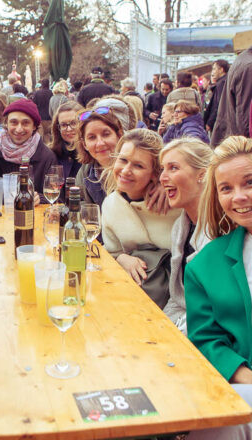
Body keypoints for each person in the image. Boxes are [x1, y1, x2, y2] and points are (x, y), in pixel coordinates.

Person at [184, 135, 252, 439]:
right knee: (223, 413)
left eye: (249, 183)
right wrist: (245, 378)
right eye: (226, 188)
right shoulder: (203, 265)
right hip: (244, 384)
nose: (238, 197)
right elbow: (207, 339)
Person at [101, 129, 180, 307]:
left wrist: (168, 184)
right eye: (123, 160)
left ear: (154, 173)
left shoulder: (173, 201)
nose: (126, 170)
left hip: (178, 296)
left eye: (138, 166)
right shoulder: (111, 204)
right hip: (133, 293)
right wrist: (120, 258)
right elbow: (109, 252)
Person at [159, 138, 213, 334]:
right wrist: (158, 329)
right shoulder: (180, 228)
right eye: (162, 169)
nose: (163, 177)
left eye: (173, 168)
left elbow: (217, 310)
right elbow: (177, 299)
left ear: (202, 174)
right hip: (184, 325)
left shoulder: (222, 231)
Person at [0, 98, 57, 202]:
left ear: (34, 126)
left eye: (25, 123)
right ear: (6, 124)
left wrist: (40, 198)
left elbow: (57, 198)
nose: (19, 129)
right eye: (14, 122)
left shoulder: (47, 156)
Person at [74, 99, 127, 205]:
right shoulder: (85, 172)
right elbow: (80, 207)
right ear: (85, 145)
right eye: (92, 137)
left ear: (119, 135)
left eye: (106, 134)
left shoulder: (132, 167)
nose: (100, 143)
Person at [49, 101, 83, 198]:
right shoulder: (52, 154)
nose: (69, 129)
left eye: (73, 123)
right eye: (64, 125)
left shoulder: (92, 154)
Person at [204, 59, 229, 133]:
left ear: (221, 70)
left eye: (214, 69)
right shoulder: (226, 81)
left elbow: (217, 104)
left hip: (220, 123)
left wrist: (210, 122)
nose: (213, 72)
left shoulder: (221, 84)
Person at [32, 79, 53, 144]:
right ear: (48, 84)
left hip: (40, 117)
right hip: (49, 117)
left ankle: (42, 150)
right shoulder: (51, 93)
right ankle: (49, 148)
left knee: (40, 135)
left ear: (42, 84)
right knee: (48, 135)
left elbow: (33, 104)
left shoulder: (37, 93)